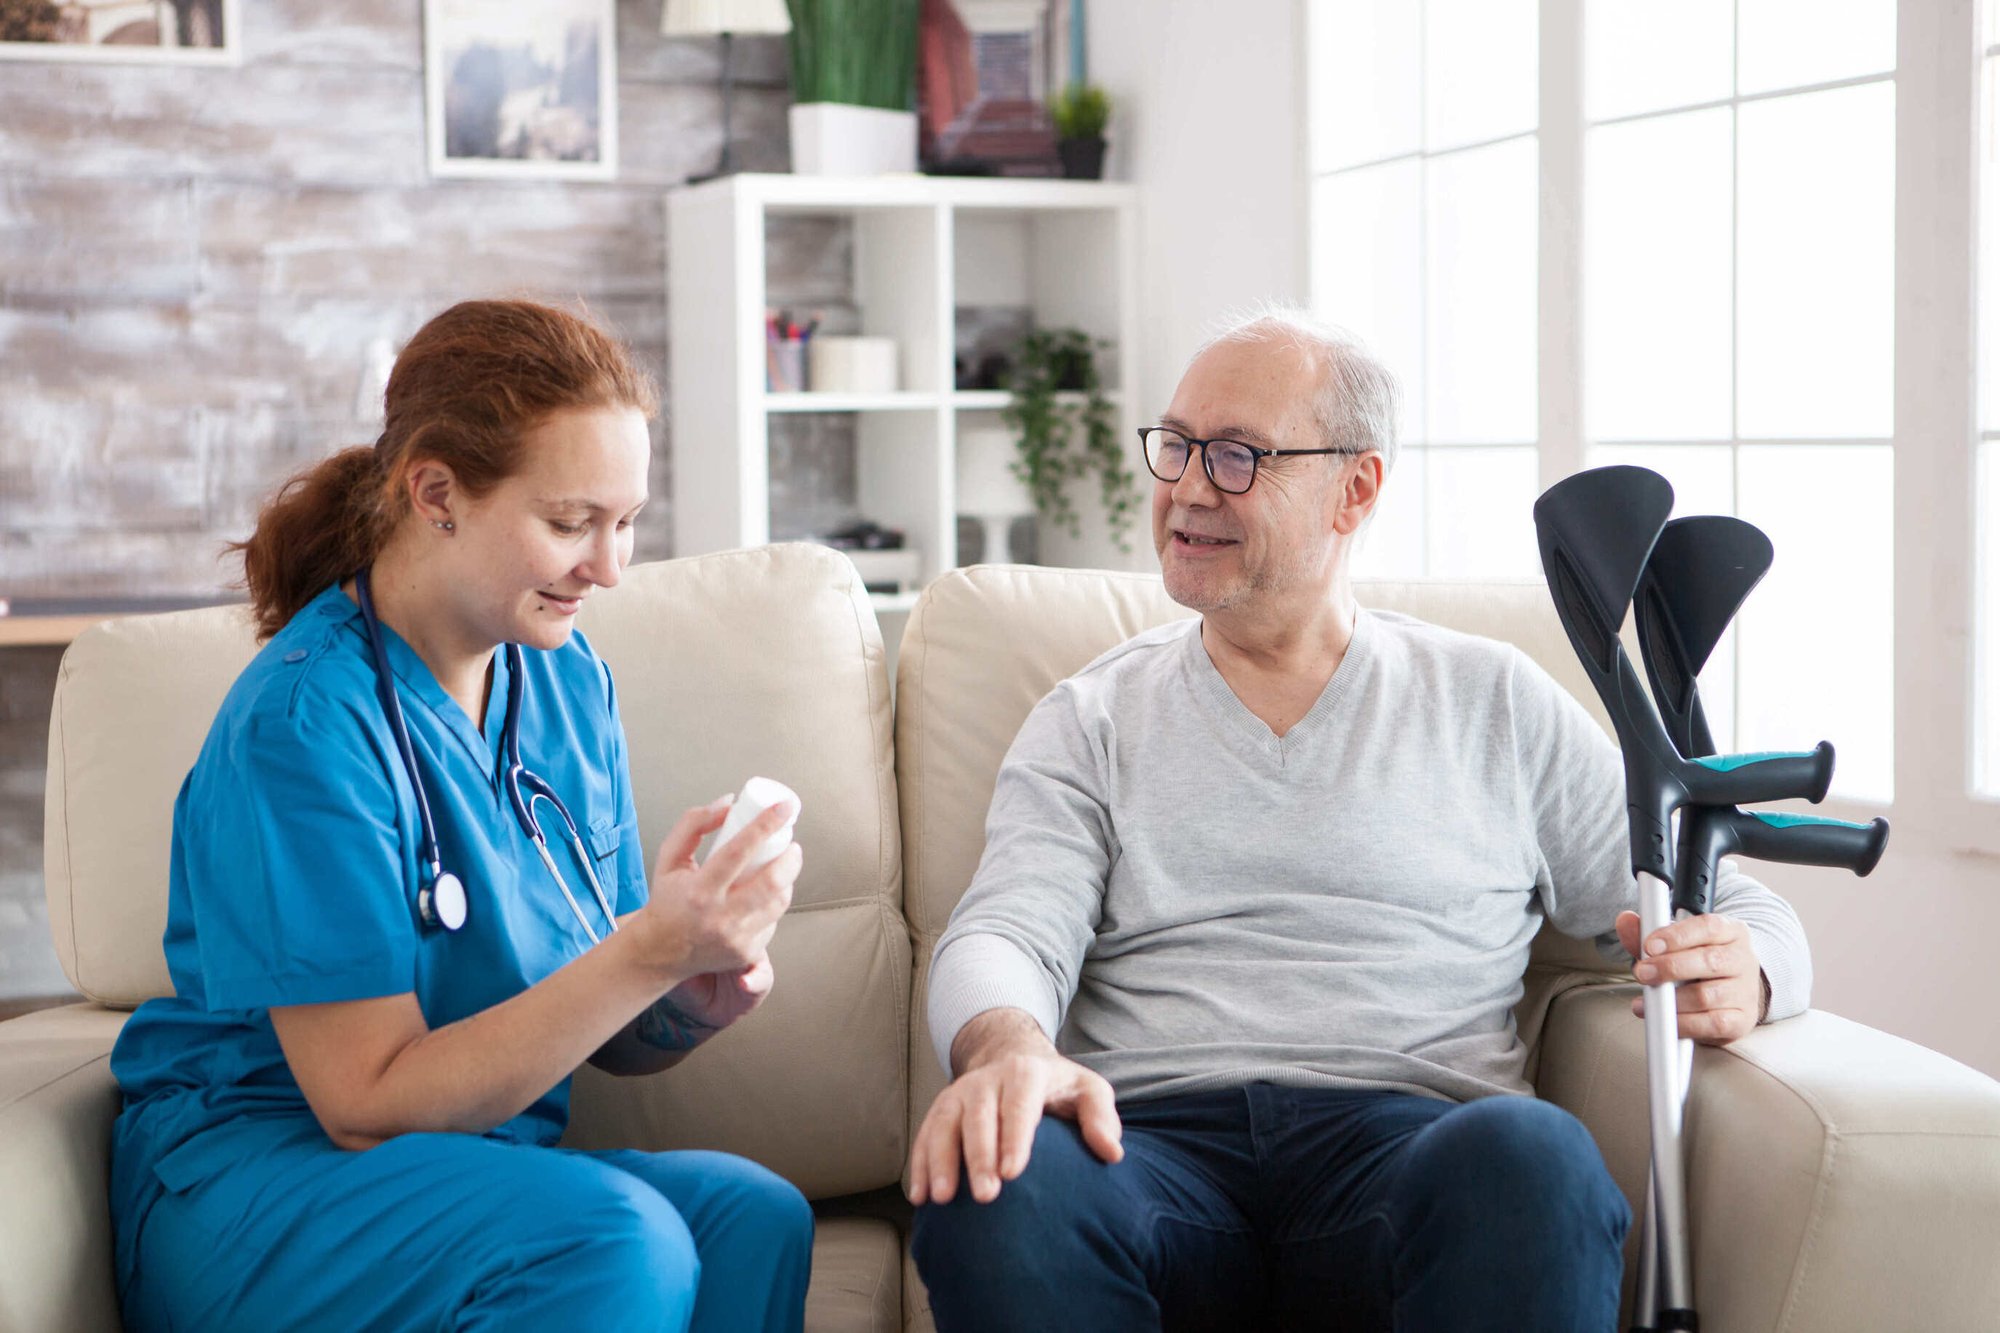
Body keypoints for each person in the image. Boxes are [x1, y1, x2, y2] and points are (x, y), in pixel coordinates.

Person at [906, 307, 1812, 1331]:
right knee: (997, 1183)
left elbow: (1729, 903)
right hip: (1147, 1150)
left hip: (1412, 1153)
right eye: (1176, 445)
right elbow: (1002, 932)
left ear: (1356, 487)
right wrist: (1006, 1051)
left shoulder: (1490, 701)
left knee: (1535, 1155)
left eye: (1238, 455)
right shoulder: (1089, 716)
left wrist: (1753, 968)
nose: (1188, 487)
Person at [108, 299, 813, 1333]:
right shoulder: (303, 724)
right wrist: (643, 952)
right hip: (260, 1175)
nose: (608, 567)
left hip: (471, 1168)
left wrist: (684, 987)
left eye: (626, 524)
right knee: (616, 1237)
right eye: (571, 523)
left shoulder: (570, 688)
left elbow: (595, 1006)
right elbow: (363, 1100)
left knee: (754, 1215)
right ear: (435, 491)